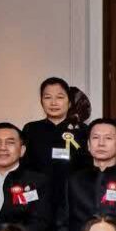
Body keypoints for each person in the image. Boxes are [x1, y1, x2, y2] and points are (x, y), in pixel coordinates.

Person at [22, 77, 91, 206]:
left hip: (74, 199)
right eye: (47, 97)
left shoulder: (83, 130)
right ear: (41, 102)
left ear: (69, 102)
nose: (53, 103)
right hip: (38, 198)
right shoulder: (31, 129)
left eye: (60, 97)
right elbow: (24, 166)